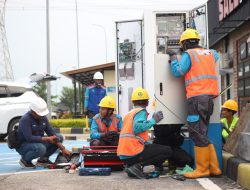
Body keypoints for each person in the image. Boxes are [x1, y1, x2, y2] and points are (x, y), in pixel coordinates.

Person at [167, 28, 221, 178]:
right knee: (203, 133)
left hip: (196, 99)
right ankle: (214, 168)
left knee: (197, 133)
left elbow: (178, 71)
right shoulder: (210, 54)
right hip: (209, 100)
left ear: (184, 44)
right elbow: (215, 54)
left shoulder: (188, 54)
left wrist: (173, 57)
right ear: (197, 41)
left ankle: (202, 169)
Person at [117, 87, 173, 179]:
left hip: (124, 155)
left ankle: (131, 167)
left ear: (133, 102)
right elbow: (137, 128)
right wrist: (153, 120)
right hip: (134, 152)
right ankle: (137, 166)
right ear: (147, 102)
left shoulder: (129, 114)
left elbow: (134, 135)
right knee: (167, 150)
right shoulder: (141, 112)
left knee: (154, 148)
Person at [16, 97, 71, 168]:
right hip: (24, 145)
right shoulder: (25, 119)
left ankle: (43, 160)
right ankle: (25, 160)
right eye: (39, 113)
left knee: (58, 137)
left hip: (37, 142)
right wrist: (47, 139)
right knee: (41, 148)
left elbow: (51, 133)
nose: (42, 115)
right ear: (33, 111)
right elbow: (29, 138)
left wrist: (62, 148)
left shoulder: (43, 117)